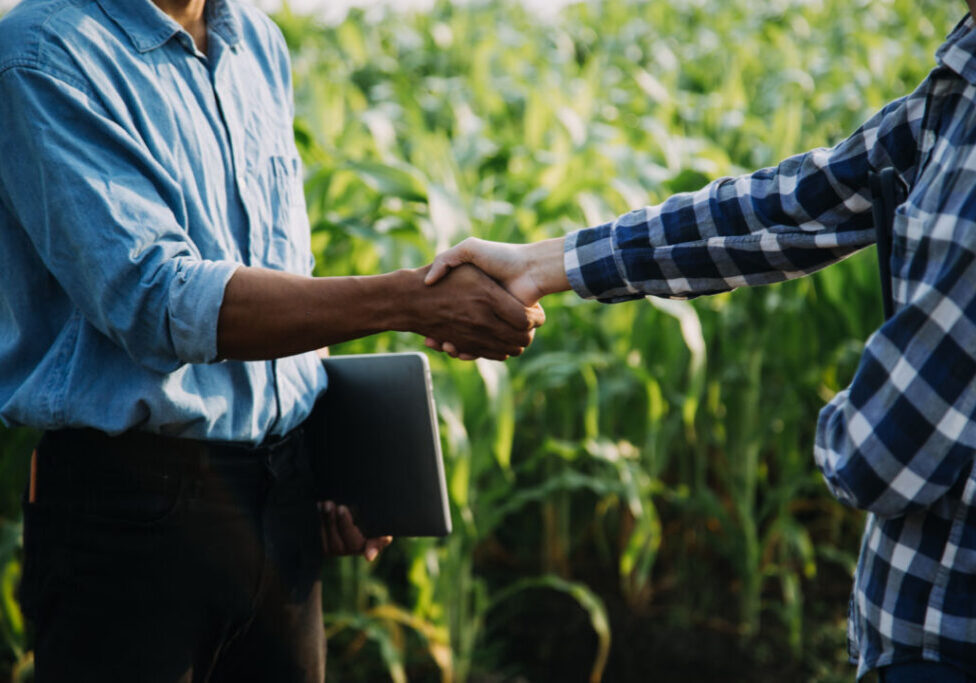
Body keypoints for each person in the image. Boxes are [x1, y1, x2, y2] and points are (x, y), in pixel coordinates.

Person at [425, 6, 976, 682]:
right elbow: (796, 202)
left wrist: (805, 437)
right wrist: (548, 262)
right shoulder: (960, 84)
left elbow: (881, 456)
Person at [0, 0, 543, 681]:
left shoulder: (256, 40)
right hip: (131, 514)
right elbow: (156, 300)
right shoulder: (43, 51)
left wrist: (322, 457)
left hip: (283, 500)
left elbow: (284, 266)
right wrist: (411, 299)